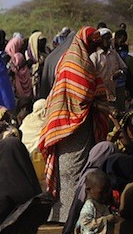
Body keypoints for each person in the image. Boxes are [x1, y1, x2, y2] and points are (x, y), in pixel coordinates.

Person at [39, 27, 107, 223]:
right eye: (93, 44)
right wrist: (100, 101)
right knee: (69, 171)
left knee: (75, 171)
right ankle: (66, 215)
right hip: (70, 125)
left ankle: (66, 215)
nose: (95, 48)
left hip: (75, 124)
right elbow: (82, 94)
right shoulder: (75, 63)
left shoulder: (80, 60)